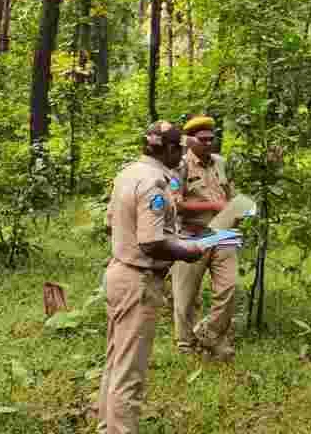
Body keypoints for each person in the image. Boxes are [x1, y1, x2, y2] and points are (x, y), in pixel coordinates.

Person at [100, 121, 206, 434]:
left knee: (116, 359)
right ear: (171, 150)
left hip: (118, 271)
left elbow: (112, 223)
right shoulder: (155, 184)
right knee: (130, 372)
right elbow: (151, 242)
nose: (183, 157)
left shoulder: (128, 173)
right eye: (181, 151)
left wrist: (173, 234)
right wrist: (187, 250)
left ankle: (107, 426)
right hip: (139, 279)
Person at [172, 115, 238, 361]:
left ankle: (208, 332)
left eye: (212, 138)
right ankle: (185, 345)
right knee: (185, 295)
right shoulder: (179, 165)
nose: (209, 143)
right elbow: (174, 204)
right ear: (190, 141)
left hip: (223, 233)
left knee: (229, 287)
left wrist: (235, 211)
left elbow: (230, 193)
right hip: (192, 234)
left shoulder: (221, 162)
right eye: (203, 139)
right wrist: (211, 205)